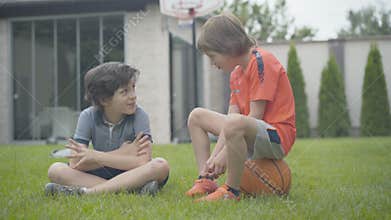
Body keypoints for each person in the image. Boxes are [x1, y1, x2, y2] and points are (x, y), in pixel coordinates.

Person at [185, 13, 296, 201]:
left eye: (213, 56)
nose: (212, 63)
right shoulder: (236, 74)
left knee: (236, 122)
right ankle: (206, 178)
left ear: (227, 47)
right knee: (196, 116)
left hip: (276, 137)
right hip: (246, 131)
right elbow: (231, 119)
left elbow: (255, 116)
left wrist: (225, 155)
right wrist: (215, 158)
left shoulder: (262, 62)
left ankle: (231, 191)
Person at [45, 62, 169, 196]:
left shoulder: (140, 116)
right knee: (55, 170)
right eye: (124, 91)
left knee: (160, 165)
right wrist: (123, 152)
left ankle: (88, 192)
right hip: (104, 173)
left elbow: (142, 161)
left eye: (133, 88)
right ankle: (131, 189)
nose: (133, 95)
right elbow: (76, 163)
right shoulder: (87, 116)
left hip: (131, 172)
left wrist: (95, 156)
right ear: (104, 100)